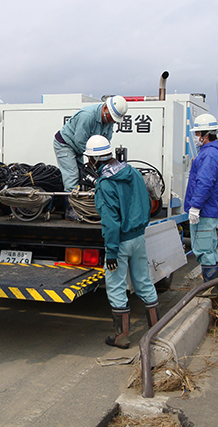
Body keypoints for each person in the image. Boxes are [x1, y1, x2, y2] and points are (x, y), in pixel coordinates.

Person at [84, 135, 160, 349]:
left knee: (116, 286)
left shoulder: (105, 184)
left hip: (120, 241)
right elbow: (146, 202)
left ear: (93, 159)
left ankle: (122, 337)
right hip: (138, 237)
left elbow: (110, 222)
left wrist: (112, 253)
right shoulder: (133, 172)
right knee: (144, 281)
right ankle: (156, 329)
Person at [53, 95, 128, 220]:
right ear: (105, 109)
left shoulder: (109, 120)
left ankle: (82, 206)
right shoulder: (88, 116)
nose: (113, 121)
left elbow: (105, 141)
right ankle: (70, 211)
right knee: (72, 175)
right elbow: (79, 141)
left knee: (82, 175)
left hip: (79, 146)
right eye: (112, 118)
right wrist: (93, 160)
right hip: (65, 143)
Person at [184, 113, 218, 298]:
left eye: (198, 134)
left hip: (205, 210)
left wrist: (195, 206)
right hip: (210, 209)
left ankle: (211, 289)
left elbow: (204, 182)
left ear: (206, 134)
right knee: (208, 248)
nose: (196, 138)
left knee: (204, 249)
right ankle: (213, 286)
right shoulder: (214, 152)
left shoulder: (210, 154)